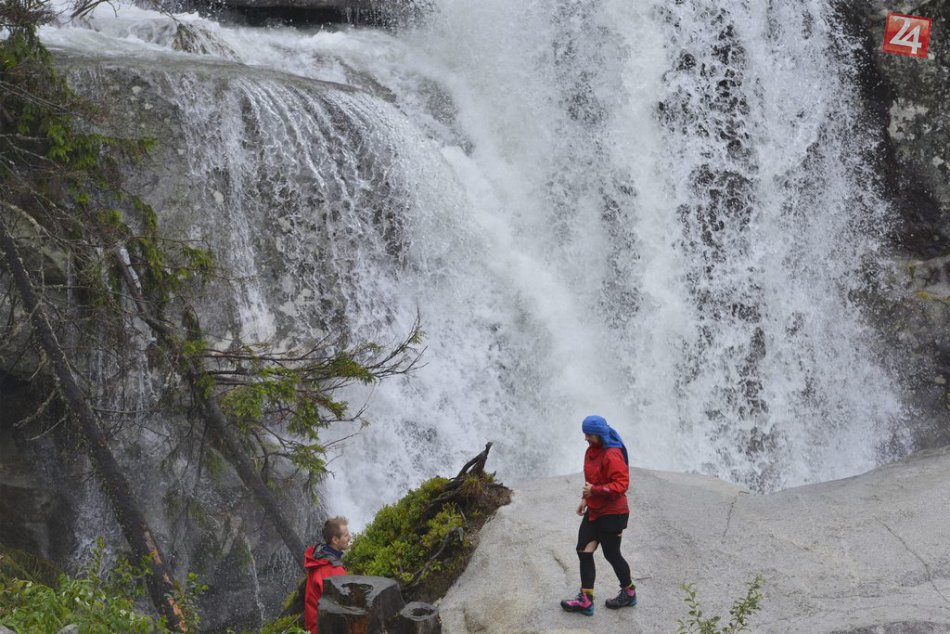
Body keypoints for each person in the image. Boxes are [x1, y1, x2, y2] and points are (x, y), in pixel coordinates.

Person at [560, 415, 637, 616]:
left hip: (613, 514)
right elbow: (592, 480)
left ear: (599, 434)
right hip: (595, 510)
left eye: (589, 434)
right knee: (583, 551)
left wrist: (594, 491)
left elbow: (621, 485)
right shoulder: (592, 450)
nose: (585, 438)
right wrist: (586, 498)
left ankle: (629, 592)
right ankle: (586, 600)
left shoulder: (612, 454)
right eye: (585, 434)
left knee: (612, 554)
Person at [303, 516, 351, 634]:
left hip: (313, 624)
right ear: (335, 540)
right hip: (323, 628)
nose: (350, 537)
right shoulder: (334, 570)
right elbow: (343, 605)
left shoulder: (318, 556)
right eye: (346, 535)